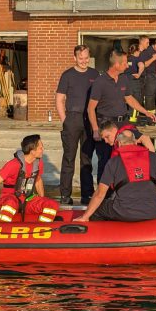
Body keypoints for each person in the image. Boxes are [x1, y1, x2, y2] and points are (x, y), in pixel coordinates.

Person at [75, 125, 156, 222]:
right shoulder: (152, 157)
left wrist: (85, 216)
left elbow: (99, 194)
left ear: (120, 144)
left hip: (125, 211)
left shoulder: (113, 162)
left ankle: (103, 237)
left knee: (99, 208)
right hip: (152, 210)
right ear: (136, 142)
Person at [88, 50, 156, 186]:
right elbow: (90, 108)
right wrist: (96, 130)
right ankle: (104, 197)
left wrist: (145, 111)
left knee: (126, 159)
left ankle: (125, 190)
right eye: (125, 63)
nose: (127, 65)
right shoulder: (100, 82)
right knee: (106, 161)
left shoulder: (124, 78)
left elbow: (129, 98)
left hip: (123, 123)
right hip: (106, 125)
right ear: (117, 64)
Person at [55, 44, 98, 205]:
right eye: (81, 58)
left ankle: (87, 195)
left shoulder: (95, 74)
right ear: (74, 58)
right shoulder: (67, 75)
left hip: (89, 119)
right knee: (69, 158)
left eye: (86, 58)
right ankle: (65, 196)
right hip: (72, 120)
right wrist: (64, 120)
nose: (84, 61)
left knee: (86, 159)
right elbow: (59, 99)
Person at [0, 134, 60, 223]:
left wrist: (41, 199)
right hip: (9, 198)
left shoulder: (38, 164)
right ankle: (1, 228)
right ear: (32, 151)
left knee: (52, 204)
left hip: (27, 200)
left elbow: (38, 180)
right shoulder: (13, 165)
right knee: (11, 203)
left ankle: (41, 230)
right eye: (41, 148)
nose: (43, 150)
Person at [138, 37, 156, 124]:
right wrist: (153, 59)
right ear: (155, 45)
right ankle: (151, 119)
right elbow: (143, 65)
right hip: (150, 76)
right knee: (150, 97)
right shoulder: (147, 51)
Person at [125, 43, 145, 123]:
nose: (139, 53)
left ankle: (128, 118)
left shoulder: (126, 58)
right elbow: (141, 66)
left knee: (127, 99)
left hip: (126, 81)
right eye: (139, 52)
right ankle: (133, 120)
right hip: (134, 82)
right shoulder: (137, 59)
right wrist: (139, 74)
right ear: (136, 51)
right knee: (136, 100)